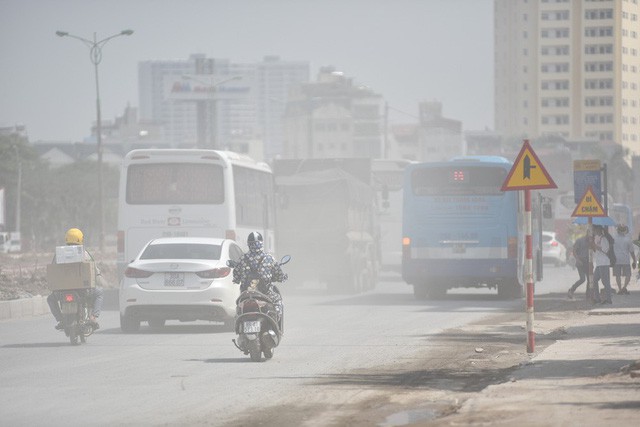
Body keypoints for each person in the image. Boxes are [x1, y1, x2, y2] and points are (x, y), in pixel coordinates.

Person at [47, 228, 104, 330]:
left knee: (50, 299)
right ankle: (93, 317)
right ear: (80, 239)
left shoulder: (59, 254)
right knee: (99, 293)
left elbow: (53, 270)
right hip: (83, 291)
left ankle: (60, 320)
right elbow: (94, 269)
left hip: (61, 292)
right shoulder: (85, 253)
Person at [232, 231, 287, 322]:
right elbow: (279, 274)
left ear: (249, 244)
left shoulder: (242, 259)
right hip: (266, 294)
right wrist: (282, 278)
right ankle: (276, 322)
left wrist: (237, 279)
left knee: (238, 306)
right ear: (261, 243)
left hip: (246, 294)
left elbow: (236, 275)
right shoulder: (269, 258)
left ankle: (238, 322)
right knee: (278, 301)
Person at [591, 225, 613, 304]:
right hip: (599, 263)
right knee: (594, 280)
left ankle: (608, 299)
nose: (594, 231)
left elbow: (605, 250)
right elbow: (595, 250)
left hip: (604, 263)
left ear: (599, 229)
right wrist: (594, 246)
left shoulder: (604, 239)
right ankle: (597, 298)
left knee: (605, 281)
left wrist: (596, 246)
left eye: (595, 229)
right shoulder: (596, 238)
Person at [612, 224, 637, 295]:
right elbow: (631, 251)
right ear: (625, 231)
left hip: (616, 260)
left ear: (617, 230)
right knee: (628, 275)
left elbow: (611, 248)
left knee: (617, 275)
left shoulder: (614, 239)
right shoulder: (628, 239)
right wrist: (634, 260)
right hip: (625, 260)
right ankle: (624, 288)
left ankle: (620, 289)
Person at [567, 233, 590, 299]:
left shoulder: (592, 241)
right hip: (580, 262)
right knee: (582, 279)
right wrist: (578, 259)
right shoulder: (580, 240)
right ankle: (571, 290)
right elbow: (574, 251)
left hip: (588, 262)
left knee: (590, 279)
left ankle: (588, 294)